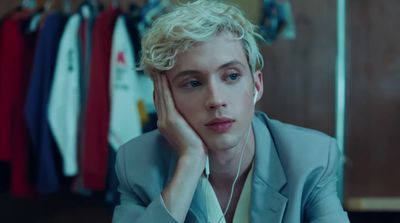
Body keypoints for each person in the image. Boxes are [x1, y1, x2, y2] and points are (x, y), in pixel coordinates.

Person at [112, 0, 350, 222]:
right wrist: (190, 161)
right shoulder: (136, 164)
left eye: (232, 76)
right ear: (163, 99)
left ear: (257, 85)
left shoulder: (311, 158)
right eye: (193, 83)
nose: (216, 100)